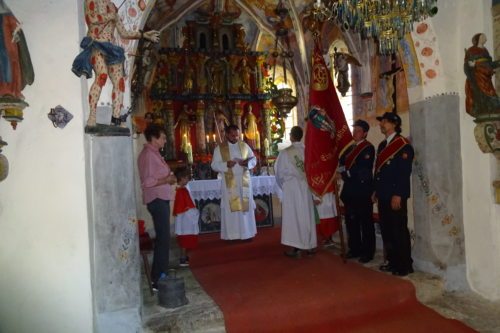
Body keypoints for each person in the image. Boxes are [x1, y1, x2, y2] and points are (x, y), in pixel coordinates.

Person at [72, 0, 160, 127]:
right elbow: (91, 18)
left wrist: (143, 35)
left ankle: (116, 118)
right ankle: (92, 115)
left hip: (111, 48)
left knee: (119, 83)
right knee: (102, 76)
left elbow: (123, 32)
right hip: (96, 43)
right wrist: (110, 16)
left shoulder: (112, 6)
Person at [373, 112, 414, 276]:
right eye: (381, 121)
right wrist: (375, 190)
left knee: (398, 230)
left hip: (395, 196)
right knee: (387, 230)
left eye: (384, 121)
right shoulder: (383, 145)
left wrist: (399, 194)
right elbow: (379, 171)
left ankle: (404, 265)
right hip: (383, 194)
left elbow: (404, 173)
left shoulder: (403, 145)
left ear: (394, 124)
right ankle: (392, 261)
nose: (381, 124)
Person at [138, 124, 177, 289]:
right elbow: (147, 182)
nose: (165, 140)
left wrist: (169, 177)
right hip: (157, 200)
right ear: (153, 138)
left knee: (164, 238)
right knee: (163, 239)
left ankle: (161, 273)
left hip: (161, 199)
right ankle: (158, 278)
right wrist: (167, 180)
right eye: (163, 137)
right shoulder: (148, 155)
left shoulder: (154, 154)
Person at [275, 126, 317, 258]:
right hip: (305, 188)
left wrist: (283, 186)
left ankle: (296, 248)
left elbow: (279, 173)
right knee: (306, 215)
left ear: (291, 136)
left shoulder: (285, 152)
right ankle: (309, 246)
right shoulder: (308, 151)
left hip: (292, 189)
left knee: (294, 217)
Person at [211, 125, 257, 240]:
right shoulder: (219, 148)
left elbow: (254, 159)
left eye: (237, 135)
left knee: (245, 208)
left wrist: (247, 164)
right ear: (226, 134)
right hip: (229, 183)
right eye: (232, 135)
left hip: (244, 181)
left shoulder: (244, 145)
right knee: (232, 209)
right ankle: (233, 235)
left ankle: (248, 233)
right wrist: (226, 164)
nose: (236, 137)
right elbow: (214, 165)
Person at [339, 119, 375, 263]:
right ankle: (355, 249)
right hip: (350, 192)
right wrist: (341, 170)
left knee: (365, 223)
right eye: (354, 130)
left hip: (363, 191)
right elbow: (341, 162)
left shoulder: (368, 148)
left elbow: (363, 170)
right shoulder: (350, 148)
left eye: (358, 130)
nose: (355, 132)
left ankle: (368, 252)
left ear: (365, 133)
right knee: (351, 222)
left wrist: (344, 173)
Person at [0, 0, 34, 101]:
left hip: (8, 47)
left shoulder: (6, 13)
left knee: (10, 66)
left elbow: (15, 26)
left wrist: (16, 32)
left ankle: (11, 91)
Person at [464, 33, 500, 117]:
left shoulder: (485, 50)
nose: (485, 38)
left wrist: (496, 64)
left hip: (486, 75)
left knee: (490, 91)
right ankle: (483, 109)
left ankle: (491, 108)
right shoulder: (471, 50)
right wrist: (470, 65)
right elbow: (467, 63)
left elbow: (488, 63)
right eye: (483, 36)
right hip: (477, 74)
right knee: (480, 93)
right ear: (479, 39)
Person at [173, 166, 199, 267]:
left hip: (183, 219)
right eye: (187, 177)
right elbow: (186, 207)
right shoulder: (182, 191)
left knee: (184, 238)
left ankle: (184, 257)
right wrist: (195, 213)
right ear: (182, 178)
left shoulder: (181, 189)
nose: (188, 179)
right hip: (185, 219)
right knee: (184, 239)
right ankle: (183, 258)